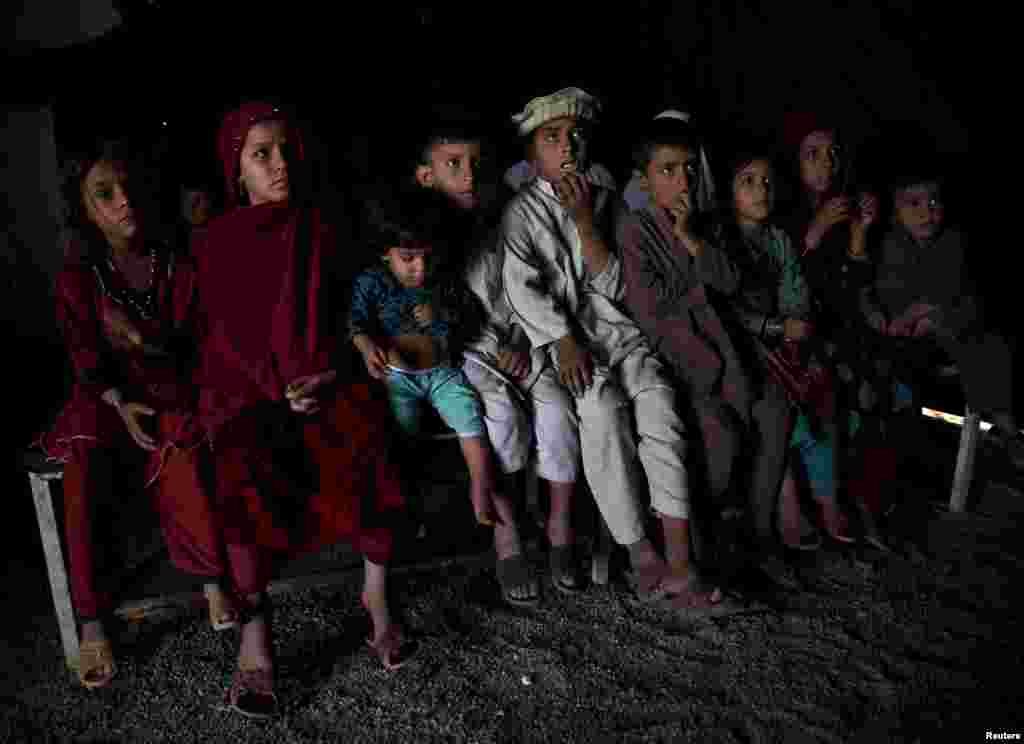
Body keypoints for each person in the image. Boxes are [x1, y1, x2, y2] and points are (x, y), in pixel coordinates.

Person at [193, 102, 414, 717]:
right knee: (240, 465)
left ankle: (376, 596)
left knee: (367, 435)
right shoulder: (216, 241)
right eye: (261, 155)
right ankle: (256, 634)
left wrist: (332, 367)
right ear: (236, 171)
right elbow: (228, 336)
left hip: (323, 376)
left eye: (284, 150)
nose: (279, 165)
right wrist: (275, 386)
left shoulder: (324, 226)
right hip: (252, 390)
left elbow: (347, 311)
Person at [500, 87, 725, 611]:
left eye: (575, 135)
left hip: (618, 330)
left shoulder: (601, 196)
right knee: (601, 409)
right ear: (532, 155)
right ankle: (639, 550)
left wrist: (583, 221)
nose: (568, 146)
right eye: (552, 138)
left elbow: (619, 287)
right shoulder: (520, 215)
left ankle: (680, 560)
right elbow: (521, 287)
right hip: (566, 342)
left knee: (660, 406)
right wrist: (562, 340)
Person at [35, 139, 234, 689]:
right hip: (106, 398)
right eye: (105, 194)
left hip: (168, 387)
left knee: (182, 438)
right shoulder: (79, 277)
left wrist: (148, 346)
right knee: (80, 460)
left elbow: (198, 345)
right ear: (86, 209)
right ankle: (92, 616)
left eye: (128, 188)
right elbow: (84, 359)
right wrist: (119, 402)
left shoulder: (175, 264)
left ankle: (211, 575)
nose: (123, 201)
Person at [617, 119, 798, 581]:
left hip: (730, 349)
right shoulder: (635, 230)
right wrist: (702, 301)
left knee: (775, 409)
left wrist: (693, 241)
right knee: (719, 433)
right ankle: (702, 538)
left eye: (690, 171)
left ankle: (761, 534)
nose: (682, 181)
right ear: (645, 180)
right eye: (668, 170)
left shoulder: (705, 225)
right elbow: (652, 309)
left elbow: (730, 282)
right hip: (683, 360)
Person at [412, 115, 583, 602]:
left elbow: (526, 285)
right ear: (428, 175)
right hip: (468, 354)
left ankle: (561, 527)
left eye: (475, 165)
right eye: (453, 165)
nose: (467, 175)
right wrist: (489, 345)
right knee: (502, 416)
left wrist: (529, 339)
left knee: (558, 408)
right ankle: (507, 535)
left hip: (525, 344)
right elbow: (436, 311)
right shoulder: (423, 235)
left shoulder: (506, 217)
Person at [714, 144, 854, 546]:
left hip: (784, 339)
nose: (761, 190)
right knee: (782, 403)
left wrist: (796, 326)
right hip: (742, 344)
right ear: (729, 190)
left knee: (820, 388)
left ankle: (827, 502)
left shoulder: (779, 238)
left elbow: (796, 289)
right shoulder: (722, 240)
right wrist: (776, 328)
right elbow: (726, 309)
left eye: (767, 183)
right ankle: (785, 503)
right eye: (748, 182)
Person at [349, 186, 501, 530]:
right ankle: (409, 502)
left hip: (443, 371)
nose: (420, 267)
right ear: (386, 253)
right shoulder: (373, 282)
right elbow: (354, 321)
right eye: (408, 258)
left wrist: (441, 315)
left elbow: (470, 318)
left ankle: (481, 486)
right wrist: (365, 346)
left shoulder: (442, 280)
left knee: (470, 416)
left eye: (427, 257)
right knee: (404, 432)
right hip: (397, 376)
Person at [863, 157, 1024, 468]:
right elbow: (887, 297)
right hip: (907, 337)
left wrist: (926, 314)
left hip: (953, 325)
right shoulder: (890, 244)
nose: (927, 212)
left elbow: (951, 292)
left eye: (934, 201)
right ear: (896, 212)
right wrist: (906, 317)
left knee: (986, 342)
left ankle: (1007, 430)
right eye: (914, 203)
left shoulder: (953, 239)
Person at [622, 109, 717, 213]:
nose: (685, 185)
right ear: (642, 179)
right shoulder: (634, 219)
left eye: (691, 168)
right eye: (667, 170)